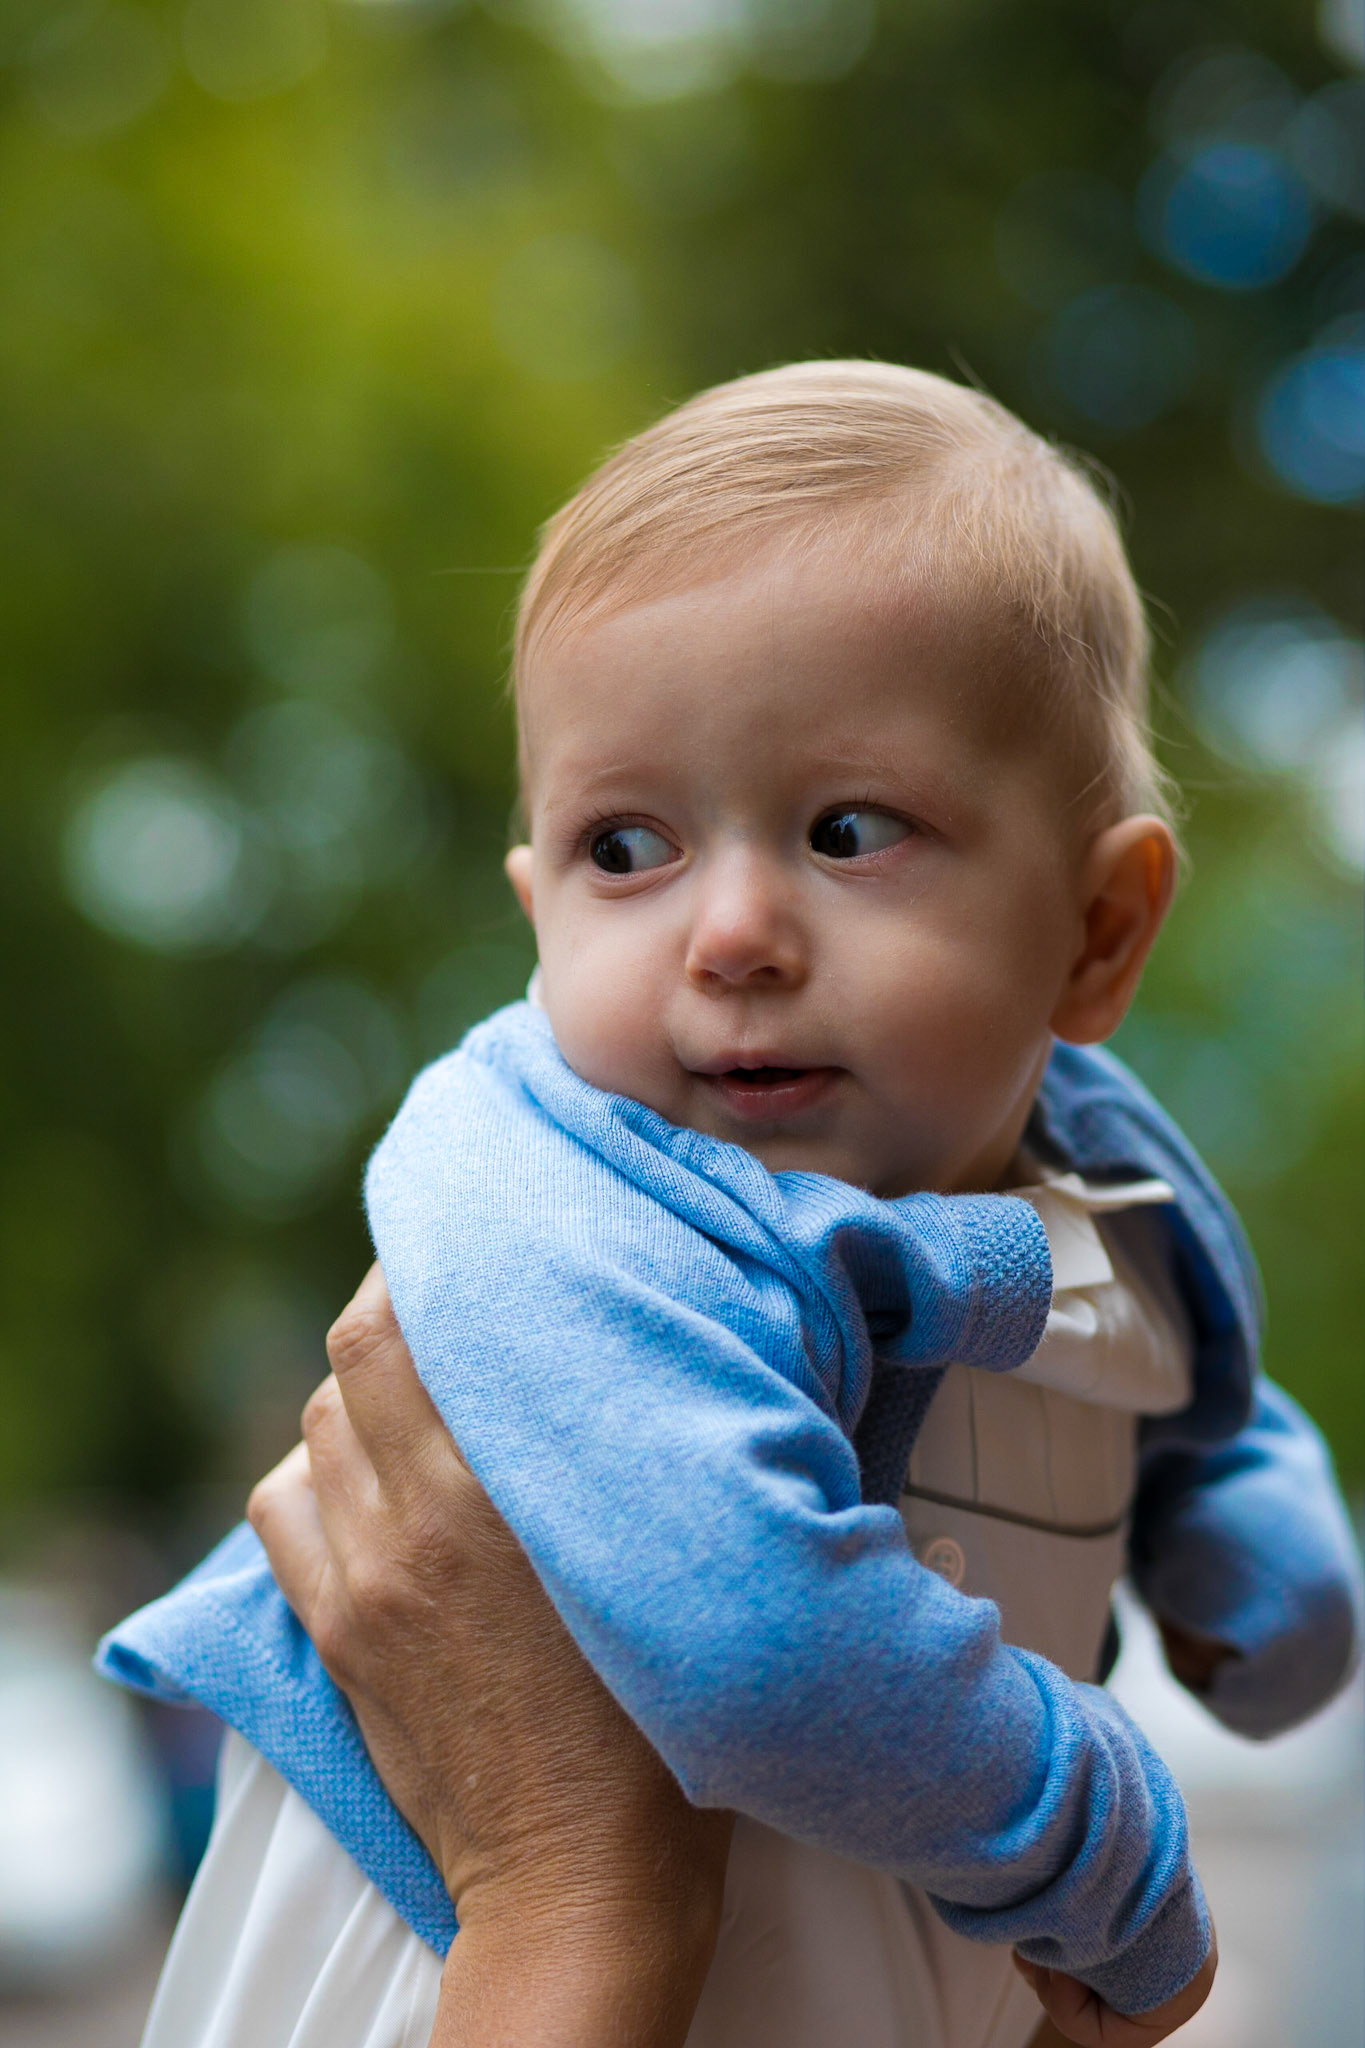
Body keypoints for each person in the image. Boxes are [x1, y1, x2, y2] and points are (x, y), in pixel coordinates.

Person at [101, 363, 1362, 2048]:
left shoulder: (1071, 1171)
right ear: (535, 909)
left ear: (1097, 934)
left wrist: (1251, 1559)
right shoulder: (541, 1188)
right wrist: (1101, 1847)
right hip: (436, 1968)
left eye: (848, 830)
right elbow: (755, 1639)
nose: (731, 932)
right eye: (628, 849)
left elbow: (1179, 1343)